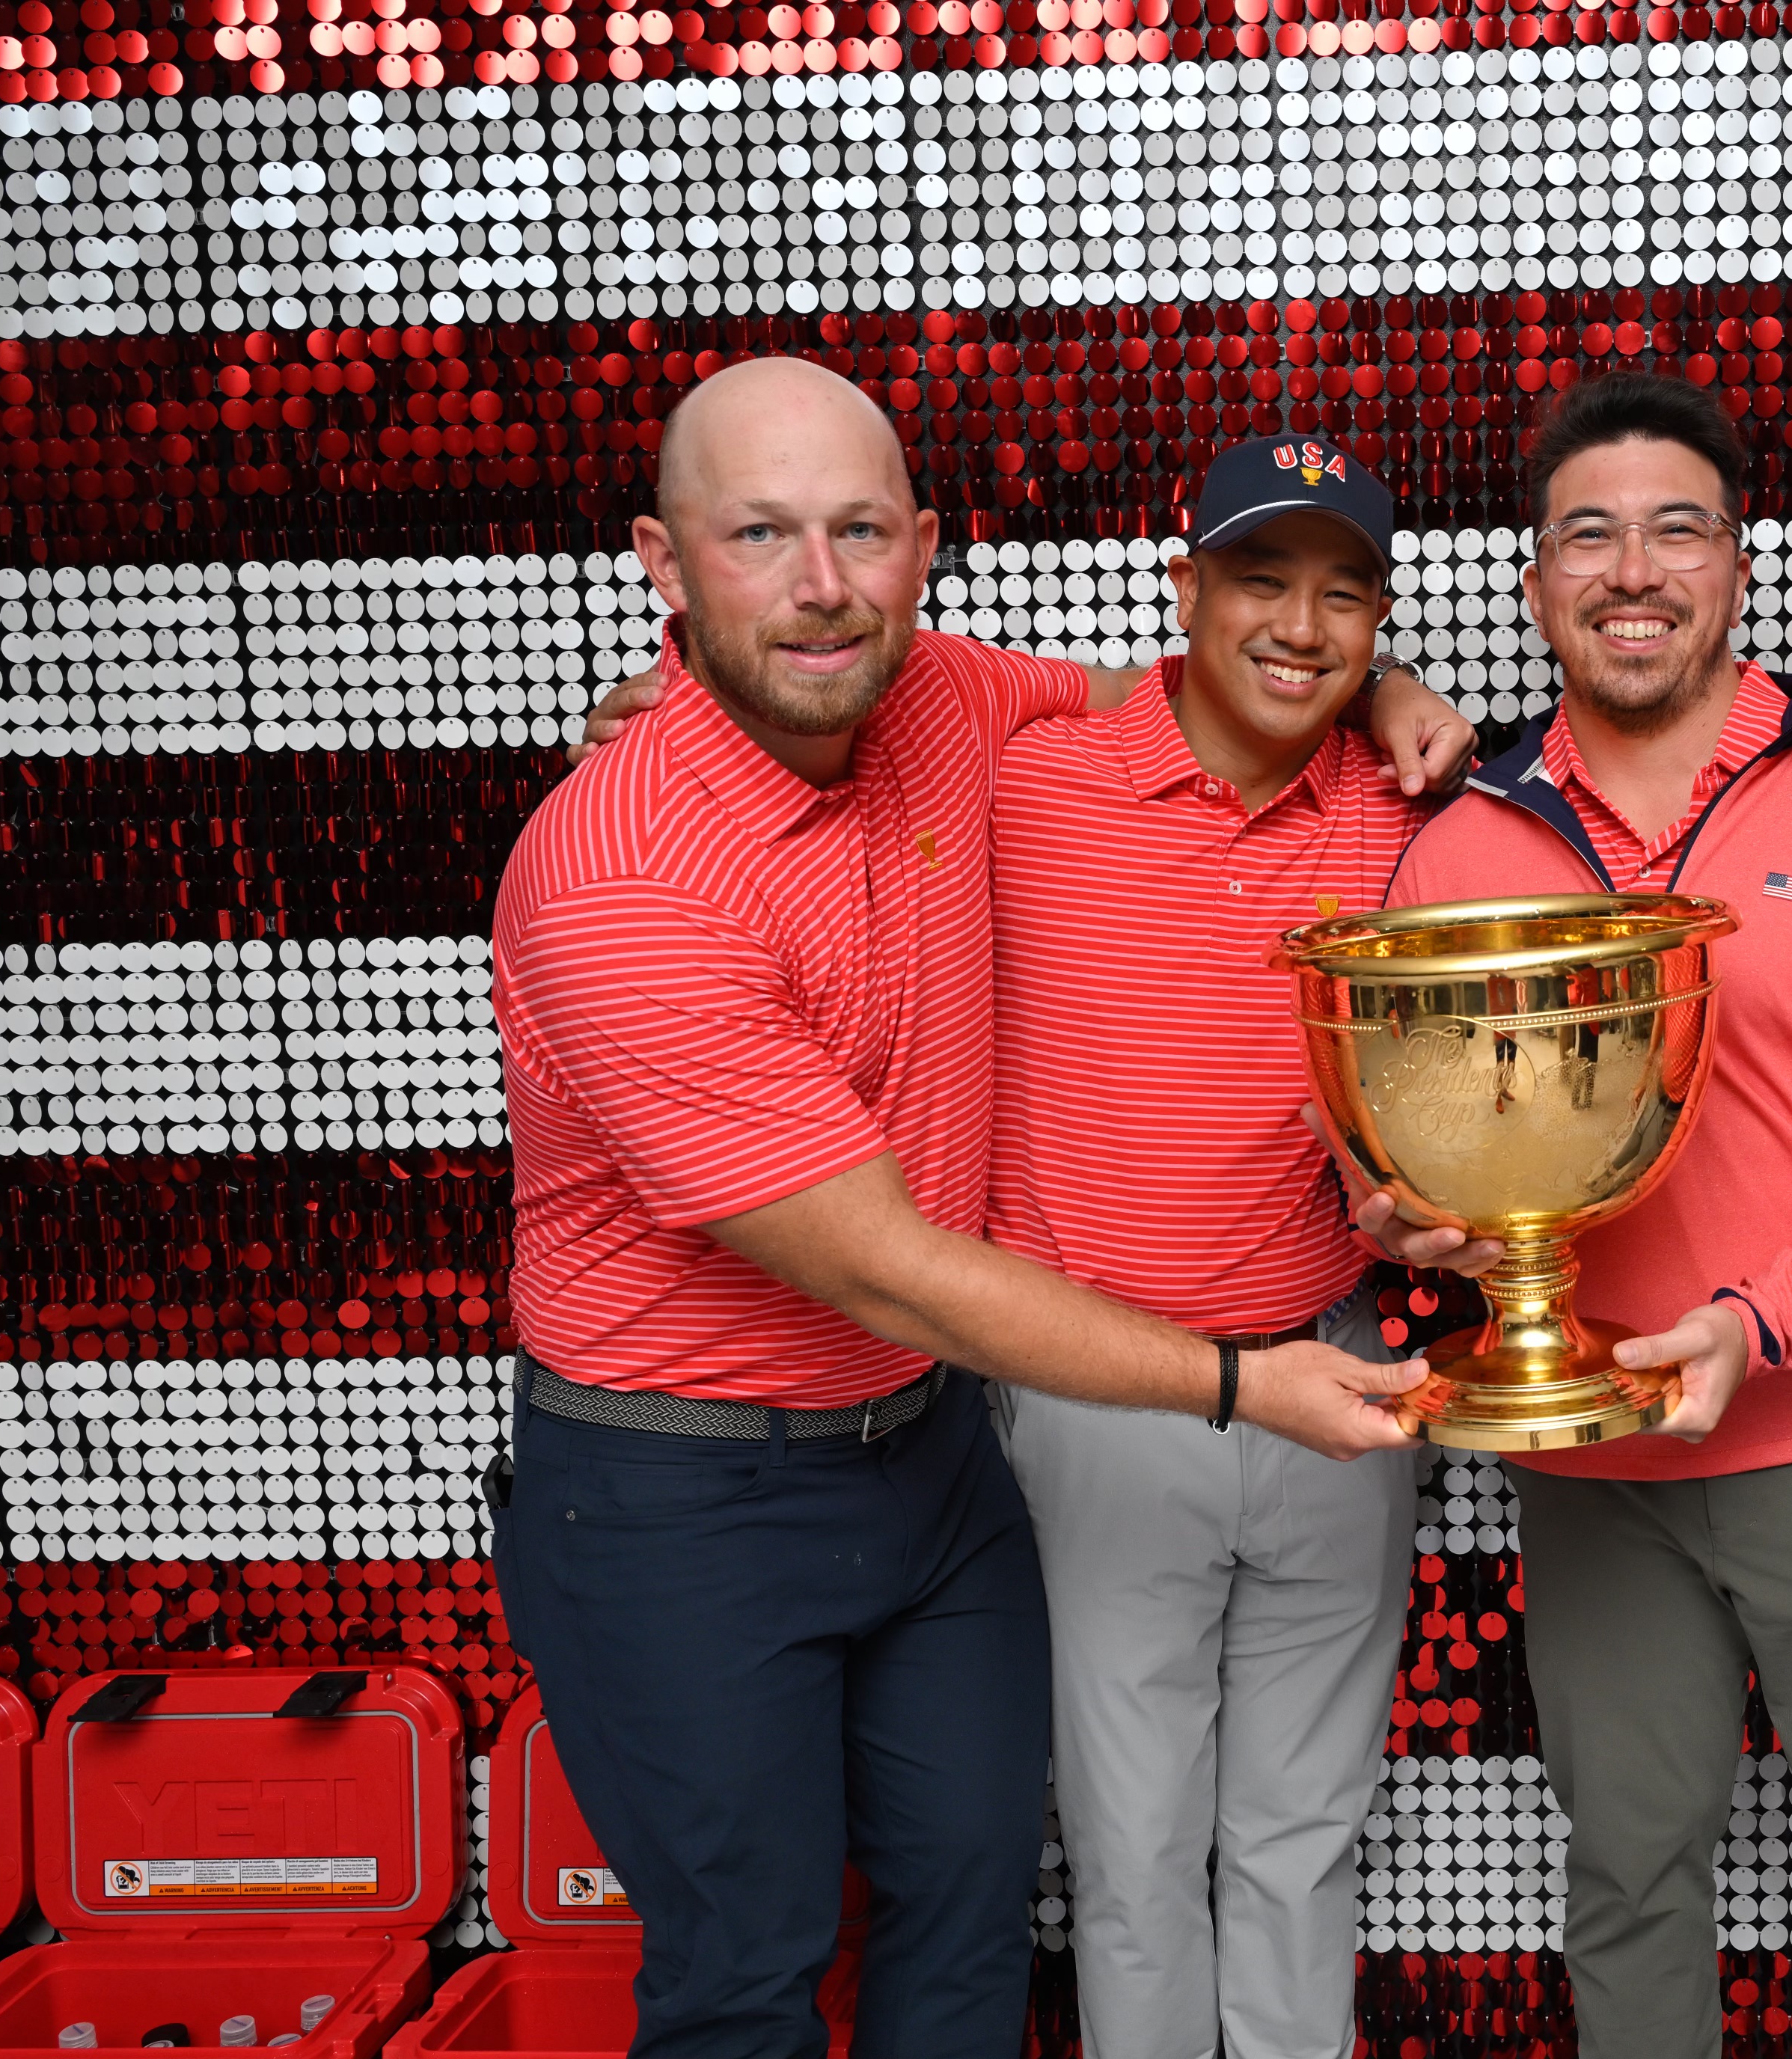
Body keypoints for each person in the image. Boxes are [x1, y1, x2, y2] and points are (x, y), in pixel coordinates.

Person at [558, 409, 1792, 2059]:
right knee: (1128, 1858)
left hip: (1338, 1381)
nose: (1297, 623)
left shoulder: (1417, 803)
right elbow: (817, 691)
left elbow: (1450, 1092)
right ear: (1181, 592)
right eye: (1257, 580)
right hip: (1092, 1393)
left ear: (1383, 623)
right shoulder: (1018, 760)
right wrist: (673, 701)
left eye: (1343, 595)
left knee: (1303, 1839)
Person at [490, 358, 1436, 2059]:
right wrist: (1238, 1380)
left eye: (858, 530)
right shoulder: (622, 866)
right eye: (758, 535)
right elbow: (896, 1270)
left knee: (967, 1913)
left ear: (925, 546)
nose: (820, 584)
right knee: (751, 1965)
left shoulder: (941, 696)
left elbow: (1217, 677)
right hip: (681, 1484)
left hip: (926, 1460)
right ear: (662, 559)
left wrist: (1381, 686)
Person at [1363, 370, 1792, 2059]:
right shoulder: (1459, 841)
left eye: (1677, 530)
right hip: (1595, 1465)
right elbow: (1393, 1143)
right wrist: (1404, 1218)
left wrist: (1757, 1322)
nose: (1632, 569)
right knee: (1629, 1884)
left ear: (1739, 567)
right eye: (1589, 535)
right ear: (1533, 585)